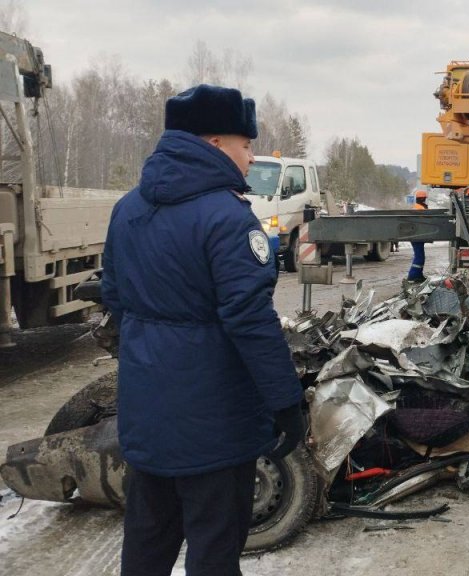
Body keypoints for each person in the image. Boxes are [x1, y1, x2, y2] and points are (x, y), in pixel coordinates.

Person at [102, 84, 305, 576]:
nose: (251, 156)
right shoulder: (227, 217)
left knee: (147, 545)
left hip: (147, 414)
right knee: (215, 549)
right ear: (215, 144)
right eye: (246, 145)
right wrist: (285, 401)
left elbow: (114, 297)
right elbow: (250, 320)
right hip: (215, 425)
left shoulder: (128, 208)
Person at [408, 190, 428, 281]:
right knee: (419, 257)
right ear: (423, 198)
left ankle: (418, 275)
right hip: (417, 235)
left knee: (420, 256)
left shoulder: (416, 206)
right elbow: (424, 221)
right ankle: (413, 276)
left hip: (416, 235)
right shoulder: (421, 208)